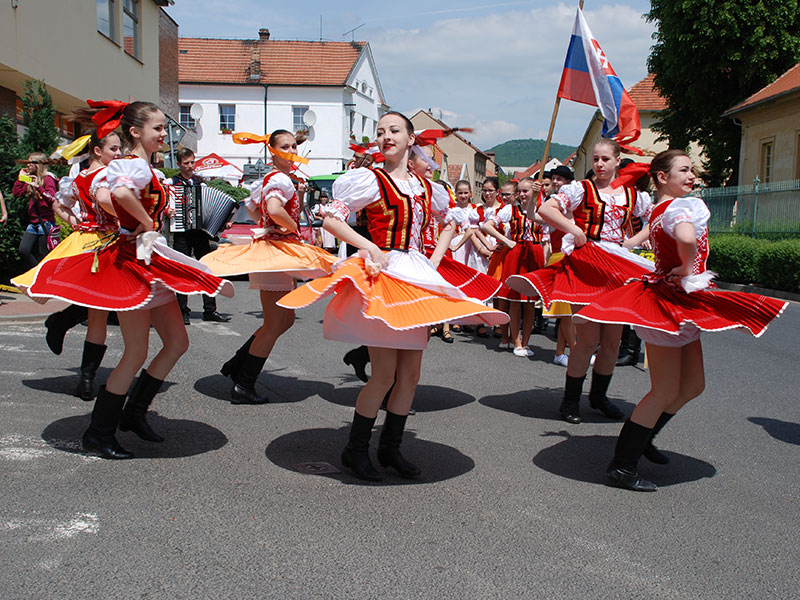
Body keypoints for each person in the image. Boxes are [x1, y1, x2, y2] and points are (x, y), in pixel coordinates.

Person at [278, 112, 508, 481]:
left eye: (394, 130)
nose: (386, 136)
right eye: (381, 131)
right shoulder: (371, 180)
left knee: (411, 375)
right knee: (384, 375)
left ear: (411, 138)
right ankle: (355, 450)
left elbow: (452, 221)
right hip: (384, 276)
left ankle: (390, 448)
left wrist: (433, 261)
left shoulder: (427, 187)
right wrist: (369, 246)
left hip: (415, 274)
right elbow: (332, 220)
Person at [30, 100, 234, 459]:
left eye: (164, 128)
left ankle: (134, 413)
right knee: (136, 351)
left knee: (177, 342)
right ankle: (99, 432)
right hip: (131, 264)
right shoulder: (131, 165)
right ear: (136, 132)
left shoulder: (145, 168)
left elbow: (117, 196)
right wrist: (142, 221)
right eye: (158, 128)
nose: (164, 134)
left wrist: (144, 217)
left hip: (149, 261)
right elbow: (119, 193)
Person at [574, 149, 787, 491]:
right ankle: (623, 465)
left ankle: (644, 438)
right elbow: (687, 238)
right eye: (684, 170)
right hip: (667, 305)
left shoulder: (664, 209)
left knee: (692, 386)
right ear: (662, 177)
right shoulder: (678, 208)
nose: (692, 176)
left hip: (679, 303)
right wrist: (687, 268)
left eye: (692, 170)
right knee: (664, 390)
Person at [507, 139, 654, 424]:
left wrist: (633, 241)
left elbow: (656, 218)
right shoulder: (581, 189)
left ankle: (598, 397)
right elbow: (547, 210)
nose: (599, 164)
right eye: (595, 159)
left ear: (617, 161)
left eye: (605, 159)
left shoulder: (632, 195)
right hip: (586, 264)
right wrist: (574, 229)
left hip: (617, 268)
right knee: (587, 340)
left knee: (612, 341)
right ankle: (570, 400)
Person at [201, 129, 337, 404]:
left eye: (294, 146)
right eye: (285, 147)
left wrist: (272, 223)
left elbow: (254, 208)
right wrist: (289, 226)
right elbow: (273, 209)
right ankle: (243, 384)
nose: (292, 151)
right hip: (275, 254)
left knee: (285, 320)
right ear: (272, 151)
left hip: (279, 253)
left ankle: (237, 364)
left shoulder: (273, 179)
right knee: (275, 323)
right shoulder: (280, 180)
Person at [12, 132, 123, 399]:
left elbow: (59, 206)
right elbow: (63, 206)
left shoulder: (78, 178)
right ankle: (84, 375)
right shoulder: (107, 177)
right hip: (102, 244)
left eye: (119, 148)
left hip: (89, 240)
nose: (119, 153)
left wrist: (74, 221)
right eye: (114, 148)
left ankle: (84, 374)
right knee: (98, 308)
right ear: (97, 151)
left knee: (98, 309)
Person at [166, 148, 230, 325]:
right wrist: (168, 210)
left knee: (207, 269)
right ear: (178, 164)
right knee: (183, 271)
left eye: (192, 162)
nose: (190, 166)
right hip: (182, 232)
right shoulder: (171, 183)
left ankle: (210, 310)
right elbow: (162, 201)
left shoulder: (200, 184)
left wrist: (222, 222)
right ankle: (181, 311)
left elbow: (211, 209)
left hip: (200, 233)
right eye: (186, 163)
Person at [482, 178, 545, 356]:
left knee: (530, 302)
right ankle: (515, 342)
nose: (522, 195)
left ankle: (526, 342)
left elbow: (548, 234)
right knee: (515, 300)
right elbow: (487, 225)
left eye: (526, 191)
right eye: (520, 191)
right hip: (516, 253)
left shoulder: (542, 210)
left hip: (535, 254)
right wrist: (506, 241)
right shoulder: (510, 210)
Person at [13, 152, 58, 269]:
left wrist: (38, 187)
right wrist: (20, 178)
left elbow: (52, 198)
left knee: (44, 253)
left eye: (31, 162)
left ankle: (46, 276)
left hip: (46, 222)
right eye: (27, 162)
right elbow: (17, 193)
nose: (28, 165)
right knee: (24, 250)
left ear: (38, 164)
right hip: (33, 222)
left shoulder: (48, 178)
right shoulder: (31, 178)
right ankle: (37, 272)